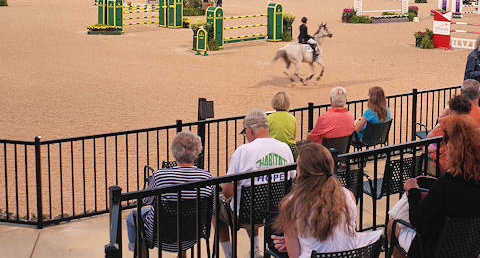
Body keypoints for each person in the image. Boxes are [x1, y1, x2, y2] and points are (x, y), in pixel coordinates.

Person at [387, 115, 480, 257]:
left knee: (392, 225)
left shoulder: (446, 184)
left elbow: (418, 222)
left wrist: (413, 192)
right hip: (471, 249)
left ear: (450, 147)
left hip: (436, 250)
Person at [271, 143, 382, 258]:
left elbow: (294, 255)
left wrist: (291, 243)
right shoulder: (348, 195)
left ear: (301, 172)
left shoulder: (291, 205)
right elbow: (338, 237)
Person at [219, 110, 296, 258]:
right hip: (276, 211)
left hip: (246, 215)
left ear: (249, 130)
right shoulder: (285, 148)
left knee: (215, 208)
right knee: (255, 198)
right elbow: (291, 179)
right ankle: (254, 250)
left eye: (245, 133)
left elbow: (228, 191)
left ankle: (229, 254)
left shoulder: (243, 151)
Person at [126, 131, 215, 254]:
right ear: (197, 153)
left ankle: (137, 250)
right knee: (184, 212)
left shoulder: (160, 176)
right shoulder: (206, 177)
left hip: (159, 238)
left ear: (174, 152)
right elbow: (212, 207)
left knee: (132, 216)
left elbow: (148, 200)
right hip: (192, 237)